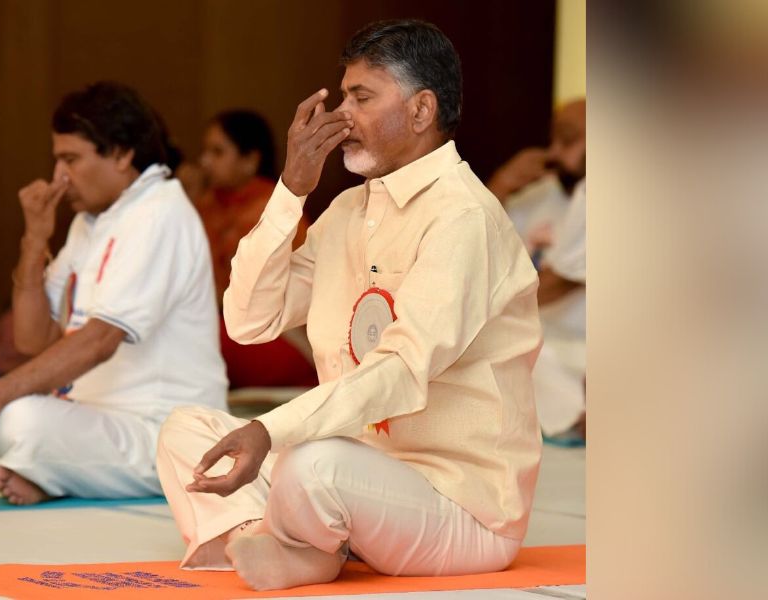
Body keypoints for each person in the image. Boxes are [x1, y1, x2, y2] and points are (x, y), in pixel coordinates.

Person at [156, 20, 543, 591]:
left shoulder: (463, 218)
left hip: (459, 503)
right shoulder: (346, 212)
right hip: (359, 476)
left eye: (361, 97)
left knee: (310, 464)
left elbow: (402, 370)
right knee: (185, 430)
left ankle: (293, 540)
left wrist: (272, 430)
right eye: (342, 97)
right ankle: (277, 542)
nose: (341, 116)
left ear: (420, 110)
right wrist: (290, 190)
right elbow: (249, 321)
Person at [0, 82, 227, 505]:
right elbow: (31, 339)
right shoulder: (90, 220)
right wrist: (34, 239)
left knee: (18, 421)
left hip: (158, 432)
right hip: (86, 423)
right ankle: (38, 468)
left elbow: (98, 342)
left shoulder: (159, 213)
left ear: (123, 155)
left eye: (70, 159)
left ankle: (38, 466)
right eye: (57, 160)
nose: (58, 177)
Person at [191, 110, 317, 389]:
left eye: (217, 152)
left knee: (194, 338)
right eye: (205, 151)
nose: (204, 161)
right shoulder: (207, 206)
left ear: (250, 161)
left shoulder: (275, 208)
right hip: (223, 326)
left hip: (278, 335)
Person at [489, 99, 587, 437]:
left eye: (569, 139)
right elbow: (473, 250)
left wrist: (486, 313)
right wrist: (500, 185)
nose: (555, 153)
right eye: (554, 139)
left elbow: (558, 284)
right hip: (539, 344)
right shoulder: (538, 196)